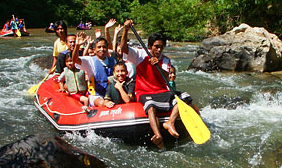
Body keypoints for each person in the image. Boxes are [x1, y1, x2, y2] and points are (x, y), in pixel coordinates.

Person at [120, 19, 192, 148]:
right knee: (150, 106)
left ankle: (170, 122)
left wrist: (157, 65)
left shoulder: (165, 60)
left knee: (185, 97)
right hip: (144, 91)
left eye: (161, 47)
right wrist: (125, 30)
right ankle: (157, 135)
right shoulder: (140, 54)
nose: (159, 50)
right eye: (156, 46)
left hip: (161, 91)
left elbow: (166, 77)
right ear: (150, 46)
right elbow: (124, 48)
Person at [72, 32, 117, 107]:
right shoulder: (89, 61)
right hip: (96, 95)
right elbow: (75, 60)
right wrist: (77, 45)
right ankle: (105, 104)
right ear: (94, 50)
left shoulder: (113, 61)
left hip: (110, 93)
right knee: (101, 102)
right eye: (99, 47)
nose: (102, 49)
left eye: (104, 47)